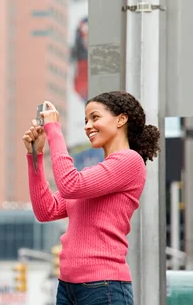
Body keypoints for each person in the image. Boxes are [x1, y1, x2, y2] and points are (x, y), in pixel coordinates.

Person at [22, 91, 160, 304]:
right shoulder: (98, 174)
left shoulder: (130, 161)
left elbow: (69, 185)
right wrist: (35, 156)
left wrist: (54, 130)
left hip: (103, 286)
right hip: (67, 286)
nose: (87, 126)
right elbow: (45, 210)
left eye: (95, 118)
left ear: (121, 119)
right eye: (86, 120)